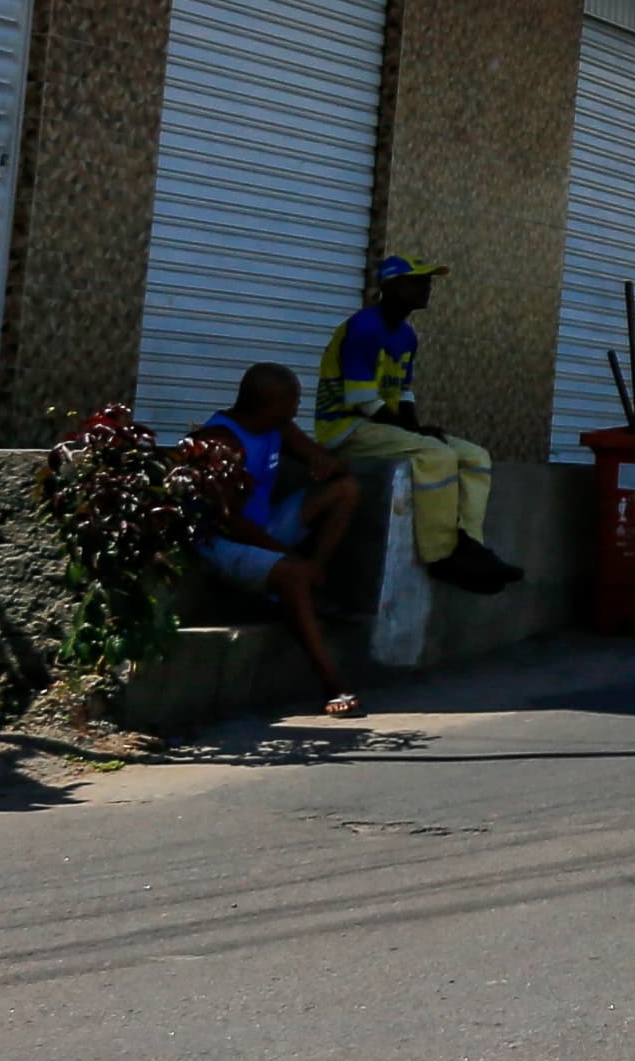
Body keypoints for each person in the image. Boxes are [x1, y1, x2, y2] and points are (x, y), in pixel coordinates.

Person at [316, 255, 522, 594]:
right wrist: (414, 432)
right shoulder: (364, 327)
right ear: (390, 286)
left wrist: (416, 425)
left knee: (476, 456)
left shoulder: (407, 336)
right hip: (346, 427)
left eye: (428, 282)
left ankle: (470, 544)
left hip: (383, 426)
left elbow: (403, 393)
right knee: (436, 455)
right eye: (416, 281)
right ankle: (442, 556)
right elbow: (362, 400)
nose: (425, 288)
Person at [194, 362, 366, 717]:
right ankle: (333, 683)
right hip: (222, 543)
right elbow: (229, 523)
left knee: (344, 491)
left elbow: (333, 464)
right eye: (293, 401)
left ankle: (308, 575)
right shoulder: (221, 442)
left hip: (265, 527)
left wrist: (325, 463)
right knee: (292, 574)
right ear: (270, 403)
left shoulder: (278, 428)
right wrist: (288, 556)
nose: (297, 409)